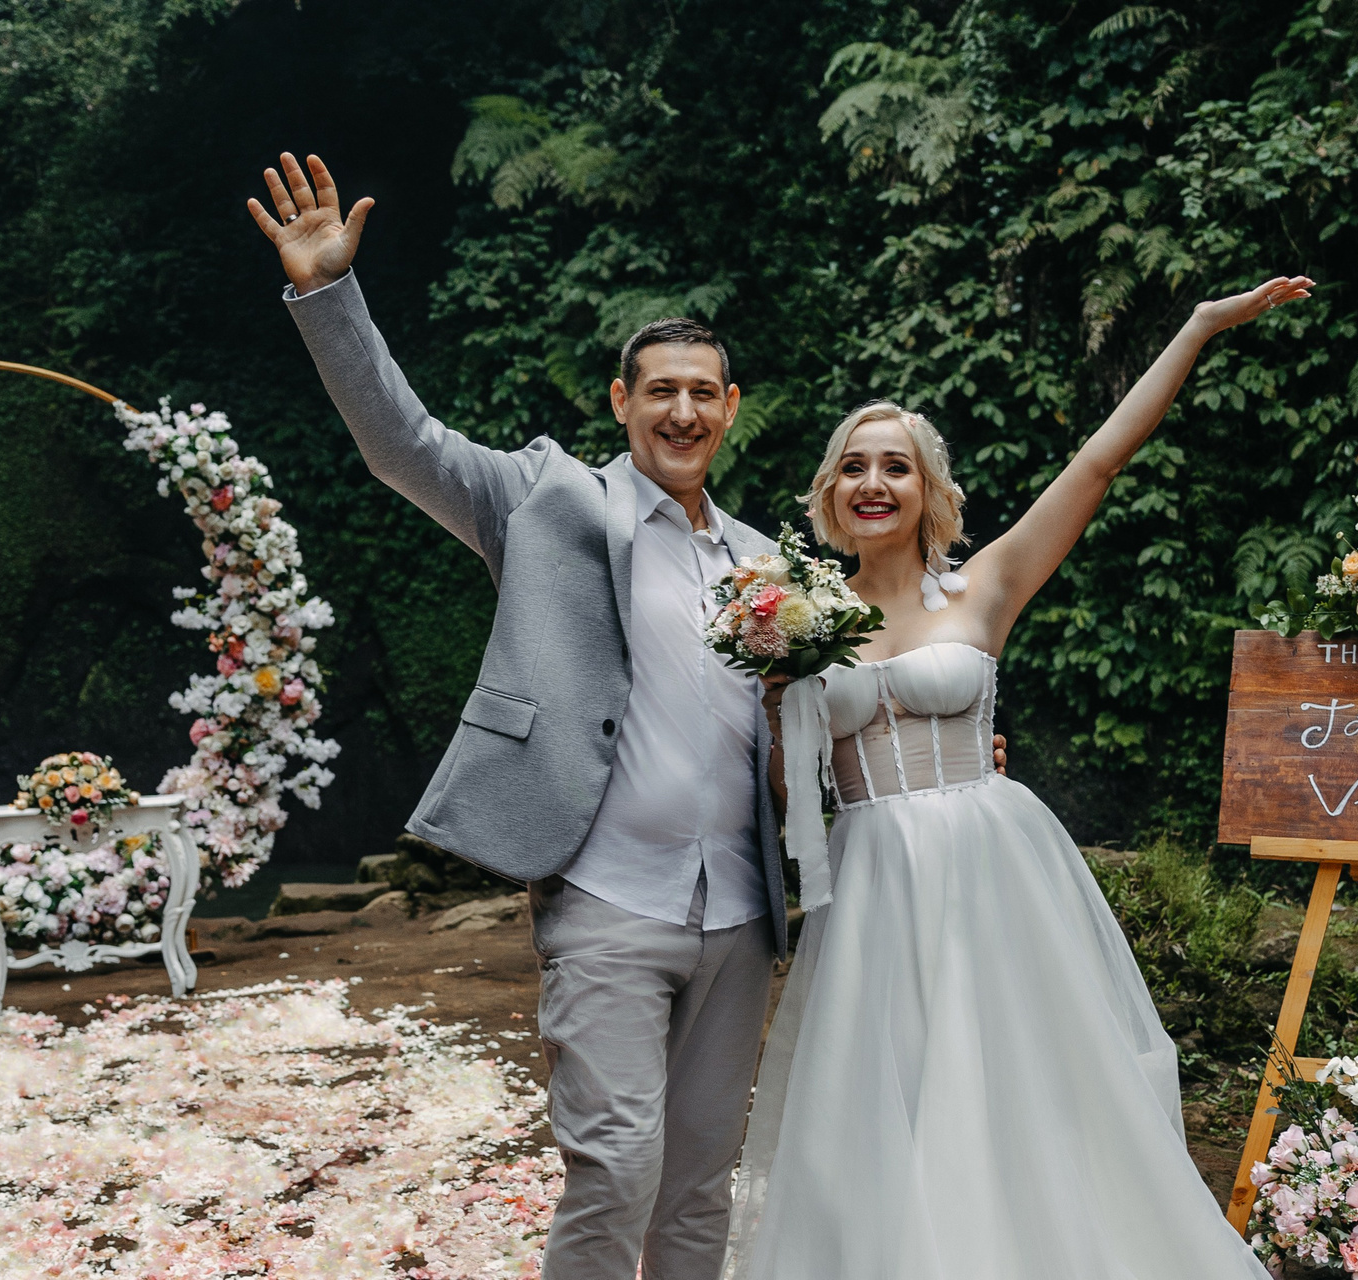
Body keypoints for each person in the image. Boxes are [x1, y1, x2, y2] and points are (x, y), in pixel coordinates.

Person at [245, 153, 1003, 1280]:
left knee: (700, 1184)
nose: (681, 411)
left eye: (703, 393)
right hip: (607, 900)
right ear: (622, 402)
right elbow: (404, 444)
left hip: (741, 911)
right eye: (660, 391)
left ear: (730, 409)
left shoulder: (772, 566)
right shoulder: (547, 501)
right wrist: (328, 294)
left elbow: (819, 723)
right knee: (613, 1168)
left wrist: (947, 757)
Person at [725, 276, 1314, 1280]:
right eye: (854, 466)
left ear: (928, 490)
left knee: (1021, 1085)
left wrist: (1200, 326)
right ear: (829, 495)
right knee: (880, 1104)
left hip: (989, 871)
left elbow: (1099, 461)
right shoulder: (797, 621)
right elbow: (789, 793)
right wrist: (782, 697)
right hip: (873, 887)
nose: (874, 482)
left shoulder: (984, 585)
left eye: (896, 466)